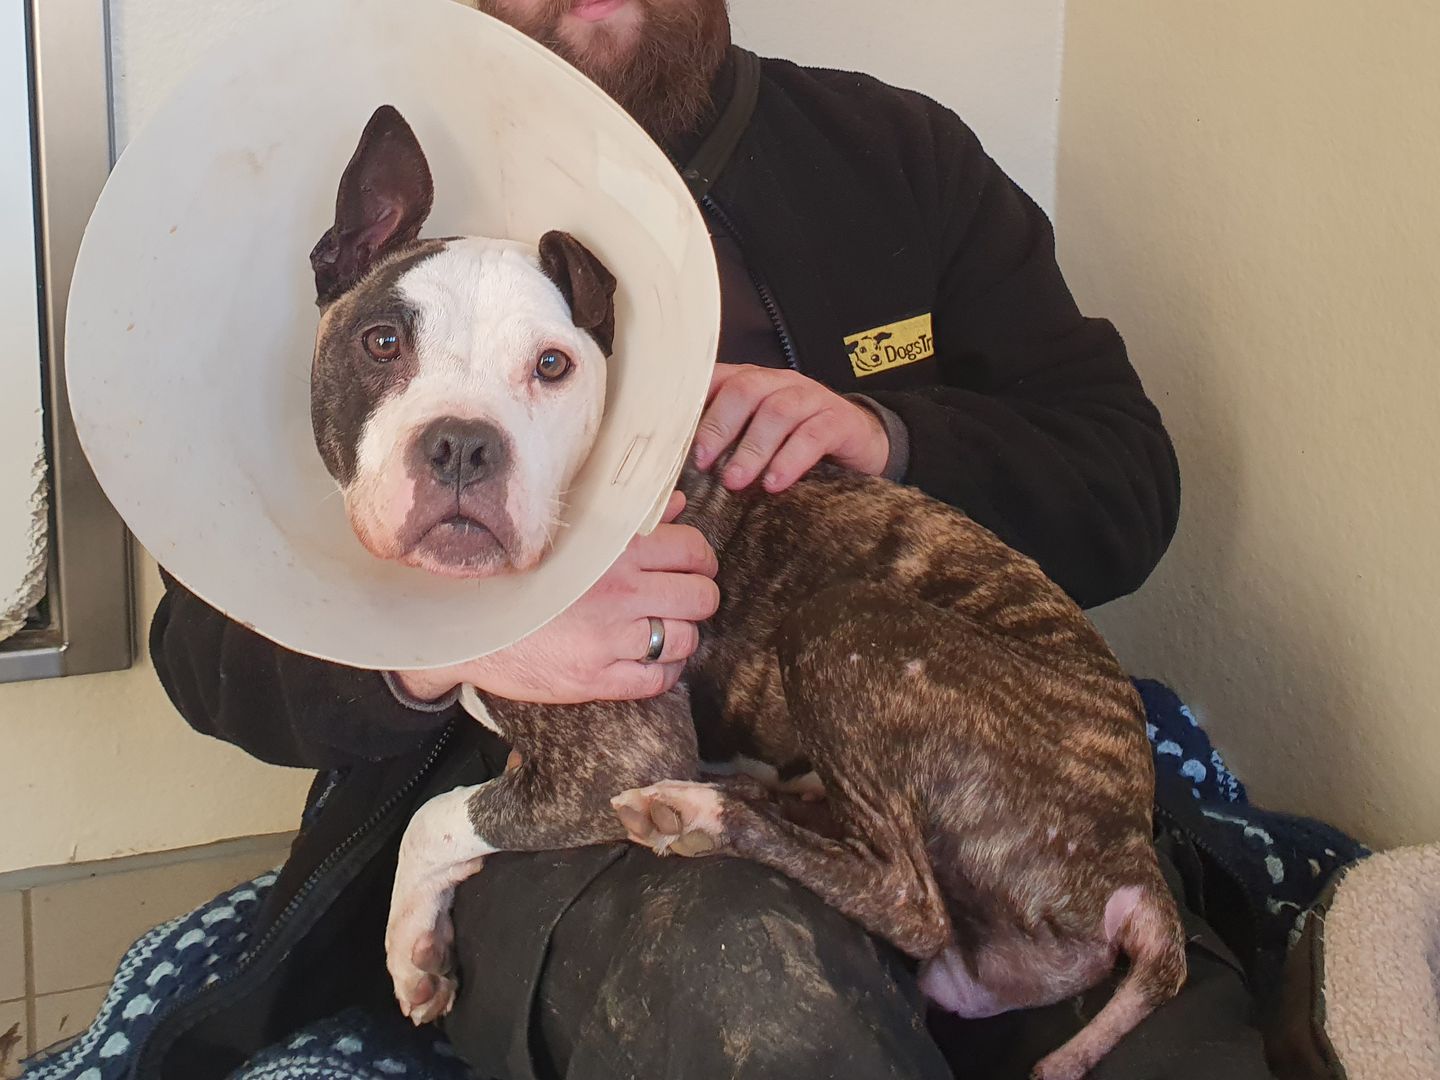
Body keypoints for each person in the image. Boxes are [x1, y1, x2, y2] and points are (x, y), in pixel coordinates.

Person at [147, 1, 1275, 1077]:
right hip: (577, 815)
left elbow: (1129, 481)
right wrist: (455, 645)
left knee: (1183, 1050)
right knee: (757, 995)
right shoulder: (399, 203)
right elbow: (203, 650)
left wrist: (895, 437)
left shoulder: (899, 156)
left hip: (939, 773)